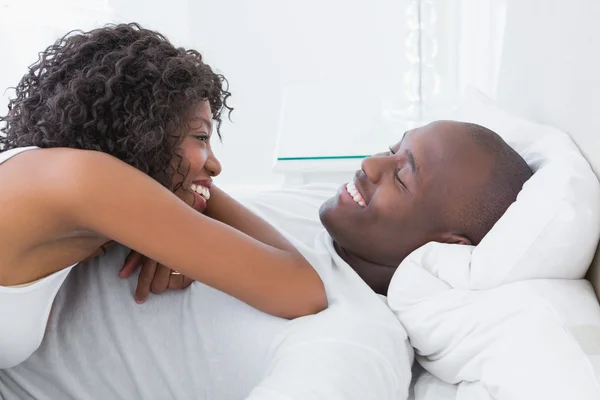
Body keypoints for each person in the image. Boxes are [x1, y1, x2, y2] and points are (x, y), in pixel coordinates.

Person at [0, 120, 532, 399]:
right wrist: (173, 213)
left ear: (447, 245)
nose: (370, 163)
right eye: (392, 146)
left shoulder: (354, 342)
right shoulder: (314, 212)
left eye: (403, 175)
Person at [0, 23, 327, 370]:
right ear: (142, 132)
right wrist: (185, 206)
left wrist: (174, 221)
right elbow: (303, 290)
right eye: (200, 137)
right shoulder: (85, 178)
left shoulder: (62, 182)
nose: (215, 166)